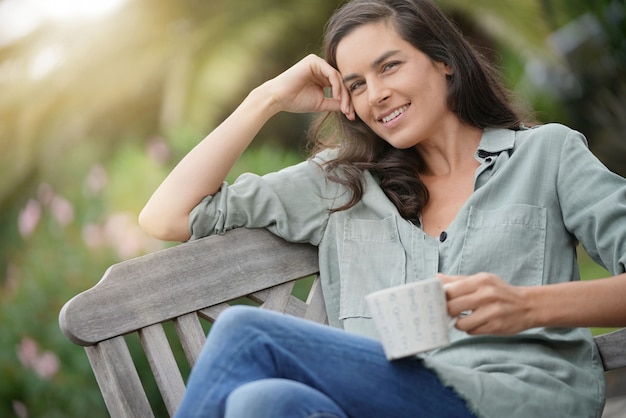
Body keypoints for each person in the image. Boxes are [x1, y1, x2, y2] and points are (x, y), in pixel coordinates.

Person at [139, 0, 626, 416]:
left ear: (444, 61)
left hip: (518, 399)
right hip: (389, 400)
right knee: (264, 402)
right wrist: (264, 99)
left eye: (389, 66)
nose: (376, 95)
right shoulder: (342, 184)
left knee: (245, 334)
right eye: (355, 84)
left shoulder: (547, 155)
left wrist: (526, 306)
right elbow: (166, 217)